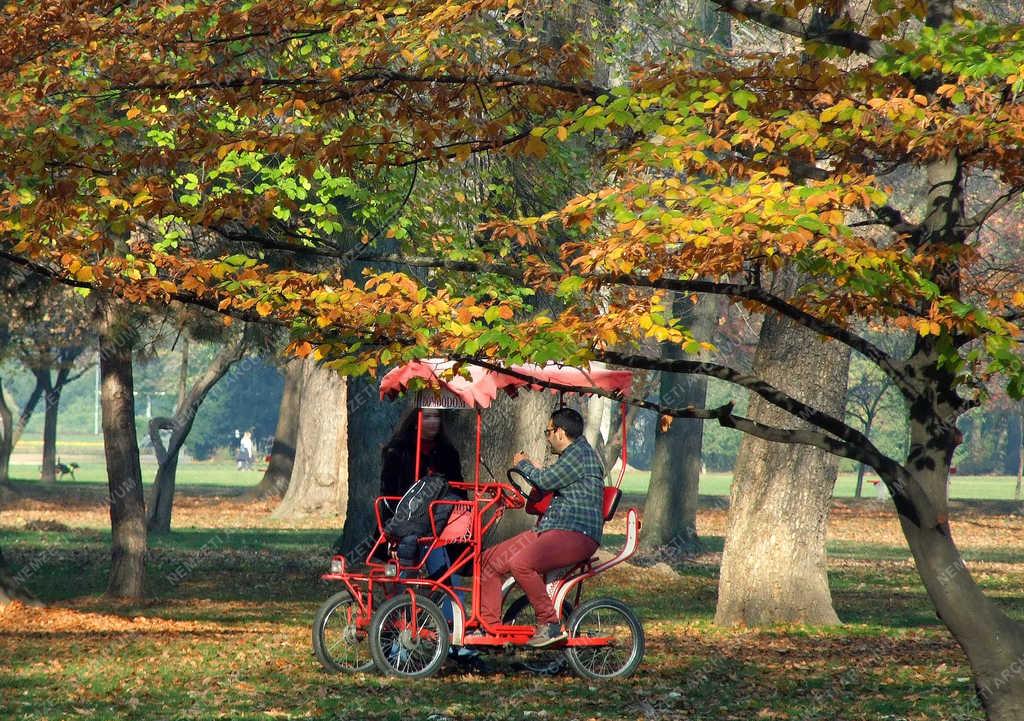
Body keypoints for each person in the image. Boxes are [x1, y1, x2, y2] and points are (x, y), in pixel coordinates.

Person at [476, 407, 604, 648]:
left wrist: (524, 464)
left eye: (548, 431)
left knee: (520, 563)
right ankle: (490, 629)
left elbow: (544, 480)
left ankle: (549, 623)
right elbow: (548, 482)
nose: (547, 437)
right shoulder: (571, 457)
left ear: (560, 432)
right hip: (551, 529)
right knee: (489, 560)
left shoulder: (580, 455)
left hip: (575, 532)